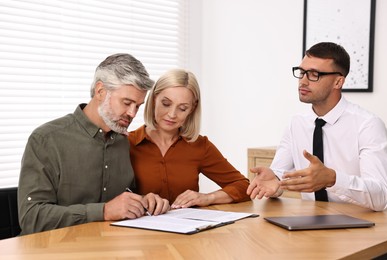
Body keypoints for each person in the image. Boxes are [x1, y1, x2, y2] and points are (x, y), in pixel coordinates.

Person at [18, 53, 170, 235]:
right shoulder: (46, 139)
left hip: (106, 247)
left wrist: (144, 201)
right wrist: (104, 211)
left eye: (137, 106)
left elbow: (123, 199)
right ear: (100, 91)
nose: (132, 113)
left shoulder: (122, 141)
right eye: (127, 102)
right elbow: (31, 218)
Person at [247, 42, 387, 211]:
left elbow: (381, 197)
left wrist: (333, 179)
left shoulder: (368, 125)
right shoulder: (296, 123)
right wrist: (275, 181)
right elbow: (278, 175)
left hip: (363, 225)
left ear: (338, 82)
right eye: (301, 73)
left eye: (314, 74)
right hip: (311, 222)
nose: (303, 81)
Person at [128, 68, 251, 208]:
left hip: (188, 227)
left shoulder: (200, 145)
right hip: (138, 228)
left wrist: (208, 198)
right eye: (166, 104)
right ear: (154, 99)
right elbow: (109, 197)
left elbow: (243, 186)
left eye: (182, 108)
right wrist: (142, 200)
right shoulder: (127, 143)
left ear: (192, 109)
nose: (172, 114)